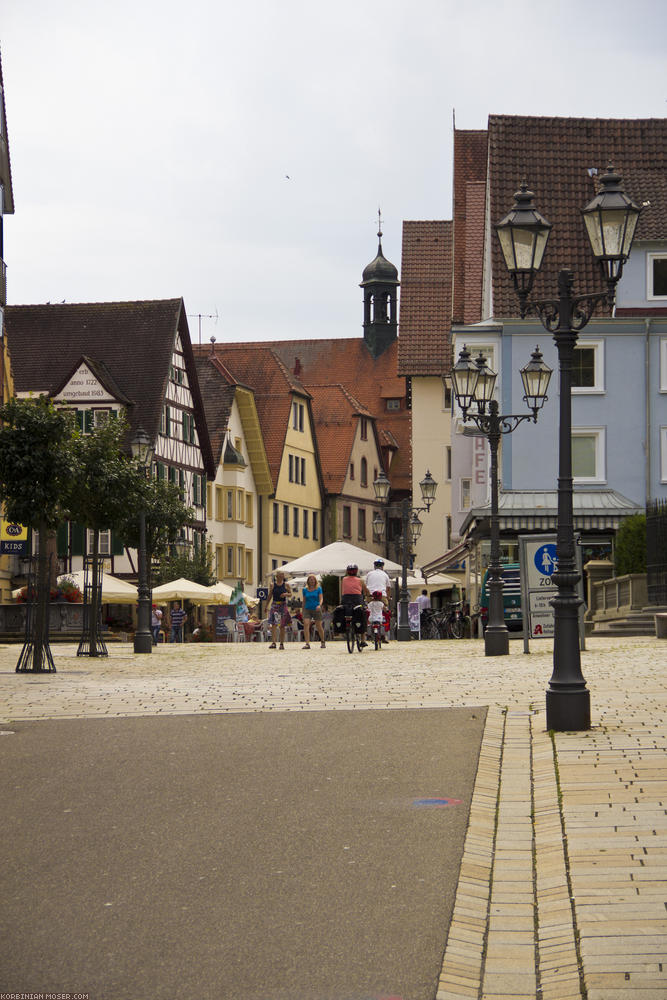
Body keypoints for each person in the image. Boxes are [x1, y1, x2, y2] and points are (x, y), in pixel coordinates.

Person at [340, 563, 369, 644]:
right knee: (362, 616)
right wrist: (368, 594)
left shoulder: (344, 579)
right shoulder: (360, 580)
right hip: (357, 599)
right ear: (356, 571)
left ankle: (347, 626)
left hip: (345, 599)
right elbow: (366, 591)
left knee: (346, 613)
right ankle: (363, 640)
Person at [365, 558, 391, 641]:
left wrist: (366, 595)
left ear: (374, 566)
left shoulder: (369, 574)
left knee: (368, 611)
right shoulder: (385, 574)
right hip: (382, 595)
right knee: (385, 611)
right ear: (382, 566)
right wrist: (388, 597)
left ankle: (367, 631)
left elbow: (366, 586)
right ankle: (384, 633)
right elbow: (388, 588)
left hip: (370, 595)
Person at [267, 571, 292, 649]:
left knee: (282, 624)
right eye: (280, 575)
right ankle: (274, 642)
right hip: (275, 605)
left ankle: (281, 644)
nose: (282, 576)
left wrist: (286, 594)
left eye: (282, 575)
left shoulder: (286, 584)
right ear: (276, 576)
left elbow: (290, 594)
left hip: (283, 604)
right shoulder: (272, 585)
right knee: (274, 624)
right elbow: (270, 595)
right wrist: (266, 605)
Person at [302, 574, 326, 649]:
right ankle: (307, 643)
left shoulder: (318, 589)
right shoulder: (305, 590)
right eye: (310, 579)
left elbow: (321, 598)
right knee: (306, 624)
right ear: (308, 581)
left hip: (316, 608)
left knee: (319, 626)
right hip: (307, 609)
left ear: (315, 581)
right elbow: (304, 601)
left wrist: (320, 605)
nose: (312, 581)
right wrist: (302, 611)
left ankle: (322, 641)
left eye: (313, 579)